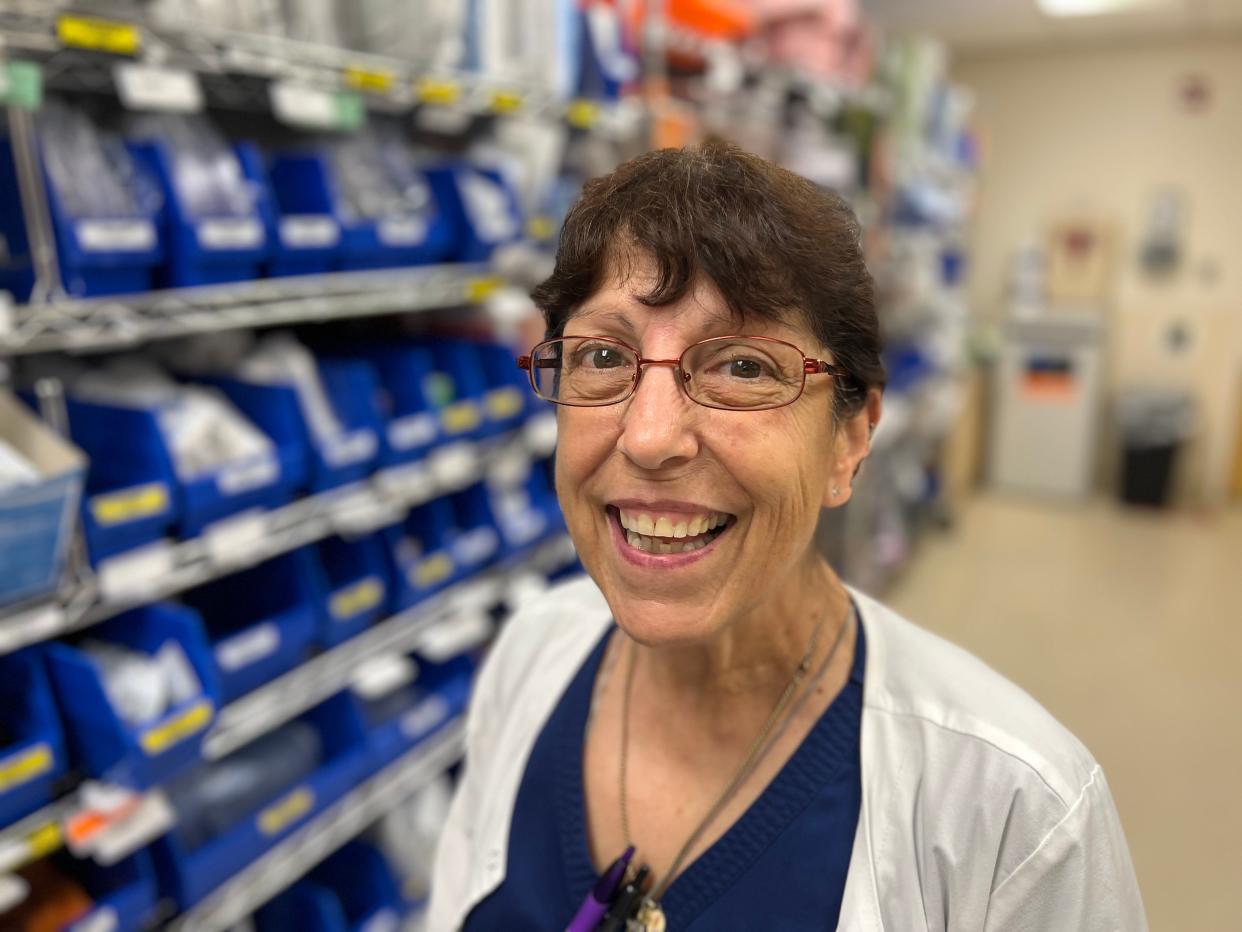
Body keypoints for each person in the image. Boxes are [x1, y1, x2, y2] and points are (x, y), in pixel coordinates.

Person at [428, 139, 1146, 931]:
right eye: (603, 355)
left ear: (849, 440)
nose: (649, 437)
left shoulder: (1015, 813)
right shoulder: (530, 659)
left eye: (742, 366)